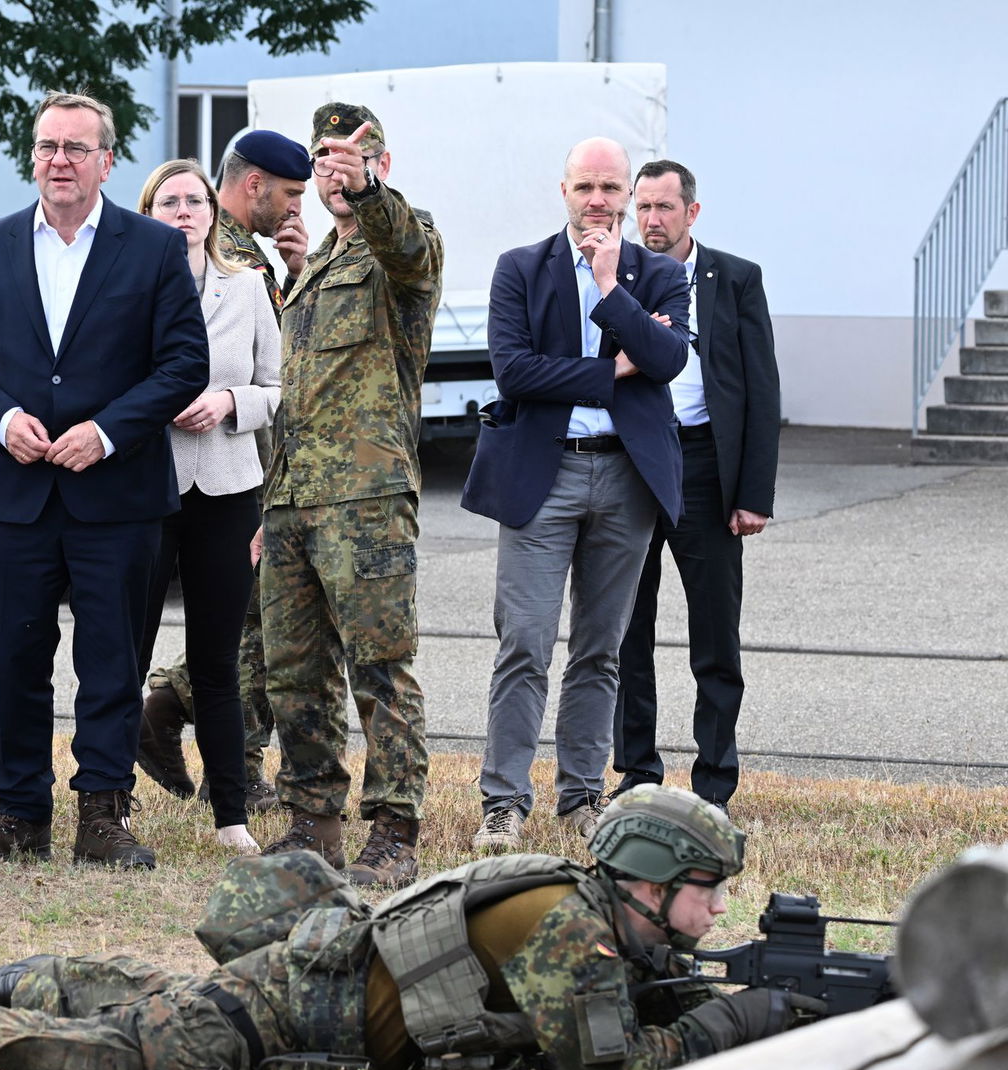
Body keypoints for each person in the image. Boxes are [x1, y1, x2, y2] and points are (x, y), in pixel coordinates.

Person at [0, 786, 824, 1070]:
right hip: (275, 1022)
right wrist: (743, 1015)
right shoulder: (568, 929)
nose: (717, 911)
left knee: (143, 997)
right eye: (705, 890)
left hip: (305, 981)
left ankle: (38, 974)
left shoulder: (592, 913)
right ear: (644, 882)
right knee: (100, 1055)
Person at [0, 92, 209, 871]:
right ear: (33, 157)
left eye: (76, 148)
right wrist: (0, 416)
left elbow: (184, 362)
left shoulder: (154, 248)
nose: (60, 160)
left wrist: (109, 430)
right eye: (48, 146)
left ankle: (102, 814)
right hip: (15, 497)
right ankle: (20, 812)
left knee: (112, 664)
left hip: (116, 497)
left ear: (107, 161)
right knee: (16, 659)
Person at [462, 137, 689, 852]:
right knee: (524, 642)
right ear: (563, 189)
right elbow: (514, 373)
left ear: (627, 194)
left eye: (610, 188)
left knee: (601, 648)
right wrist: (610, 372)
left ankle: (584, 797)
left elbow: (668, 359)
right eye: (585, 187)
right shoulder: (520, 269)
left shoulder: (658, 275)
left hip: (627, 478)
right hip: (544, 473)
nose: (598, 200)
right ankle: (503, 803)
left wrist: (613, 289)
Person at [255, 104, 443, 888]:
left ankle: (395, 828)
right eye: (323, 160)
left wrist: (364, 190)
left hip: (366, 496)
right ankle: (313, 819)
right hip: (293, 495)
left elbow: (403, 244)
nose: (333, 173)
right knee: (295, 669)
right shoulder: (314, 265)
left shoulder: (404, 245)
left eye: (352, 159)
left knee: (380, 664)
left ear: (380, 168)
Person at [138, 129, 311, 814]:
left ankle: (230, 781)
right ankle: (155, 763)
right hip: (149, 478)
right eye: (170, 202)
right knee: (241, 633)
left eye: (194, 201)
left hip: (231, 477)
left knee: (235, 630)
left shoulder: (247, 281)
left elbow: (278, 380)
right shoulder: (130, 281)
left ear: (214, 207)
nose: (185, 213)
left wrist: (231, 402)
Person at [613, 160, 781, 808]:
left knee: (715, 630)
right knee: (628, 624)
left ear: (692, 212)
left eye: (665, 208)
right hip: (634, 460)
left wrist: (753, 494)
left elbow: (761, 389)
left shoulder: (735, 279)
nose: (653, 221)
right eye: (644, 207)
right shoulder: (616, 274)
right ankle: (637, 771)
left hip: (706, 466)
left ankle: (715, 780)